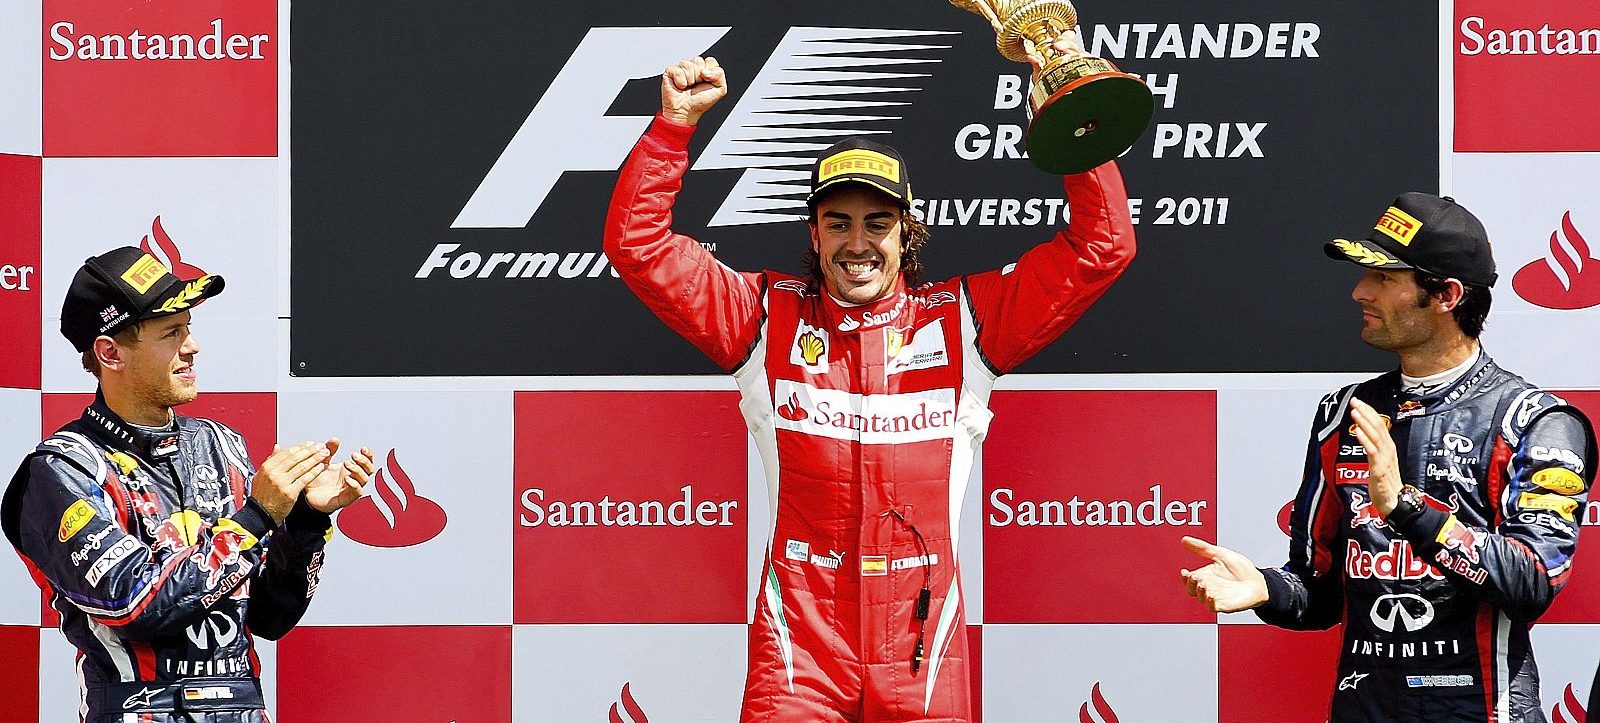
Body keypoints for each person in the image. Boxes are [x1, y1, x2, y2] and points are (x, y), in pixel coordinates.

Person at [602, 45, 1135, 722]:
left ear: (906, 232)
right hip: (800, 655)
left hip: (922, 651)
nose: (859, 242)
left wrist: (1074, 113)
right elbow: (638, 245)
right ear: (814, 232)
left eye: (878, 223)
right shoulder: (763, 317)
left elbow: (1102, 246)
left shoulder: (966, 324)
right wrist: (672, 128)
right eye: (839, 222)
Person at [1179, 194, 1595, 722]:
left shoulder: (1536, 422)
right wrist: (1267, 589)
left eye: (1384, 277)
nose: (1360, 291)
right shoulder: (1343, 413)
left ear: (1445, 295)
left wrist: (1404, 505)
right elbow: (1320, 592)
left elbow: (1531, 583)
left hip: (1481, 712)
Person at [1, 247, 375, 723]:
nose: (192, 346)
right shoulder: (62, 472)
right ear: (110, 352)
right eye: (171, 333)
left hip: (245, 708)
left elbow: (268, 617)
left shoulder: (221, 445)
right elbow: (133, 604)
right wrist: (257, 517)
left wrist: (305, 521)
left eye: (189, 329)